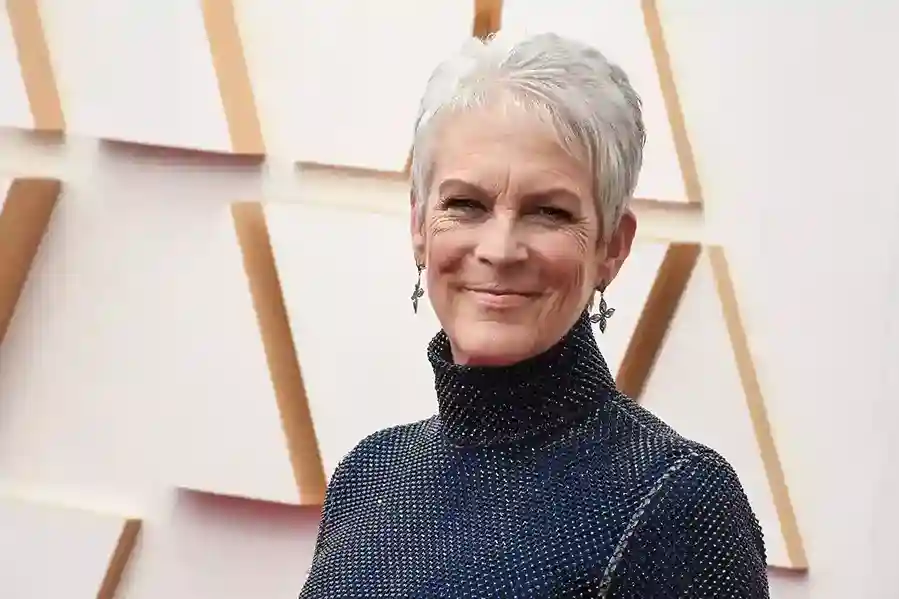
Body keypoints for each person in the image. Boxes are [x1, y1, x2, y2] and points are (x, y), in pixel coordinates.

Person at [299, 31, 768, 598]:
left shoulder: (677, 499)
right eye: (466, 204)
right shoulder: (369, 474)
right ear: (419, 226)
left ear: (612, 248)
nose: (500, 250)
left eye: (548, 212)